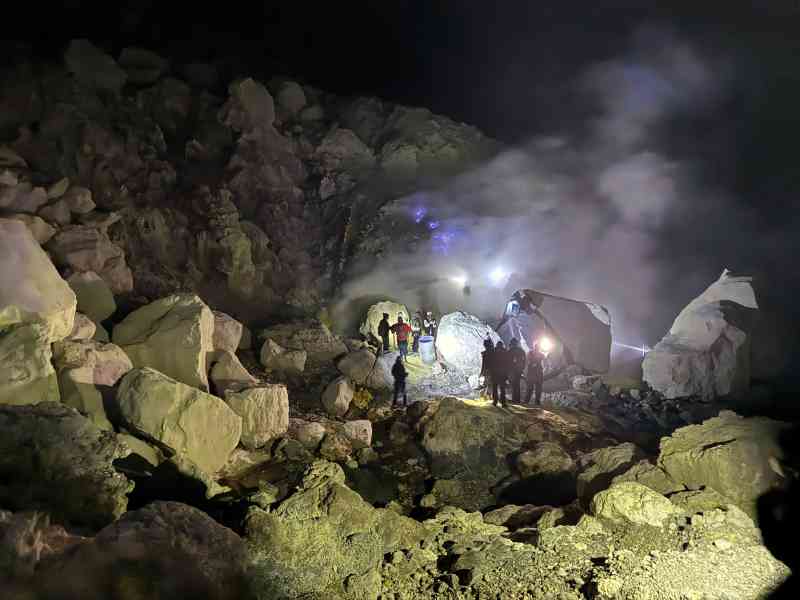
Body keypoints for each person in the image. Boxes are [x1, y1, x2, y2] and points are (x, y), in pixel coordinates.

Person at [508, 337, 526, 404]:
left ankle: (515, 399)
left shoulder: (510, 351)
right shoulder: (521, 351)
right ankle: (517, 399)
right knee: (517, 385)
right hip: (519, 370)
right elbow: (524, 361)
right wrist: (522, 369)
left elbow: (507, 362)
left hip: (512, 371)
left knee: (514, 385)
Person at [491, 340, 509, 407]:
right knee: (502, 388)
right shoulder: (505, 352)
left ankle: (495, 401)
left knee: (495, 388)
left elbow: (491, 362)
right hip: (502, 373)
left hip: (495, 373)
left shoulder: (493, 352)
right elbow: (508, 363)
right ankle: (503, 403)